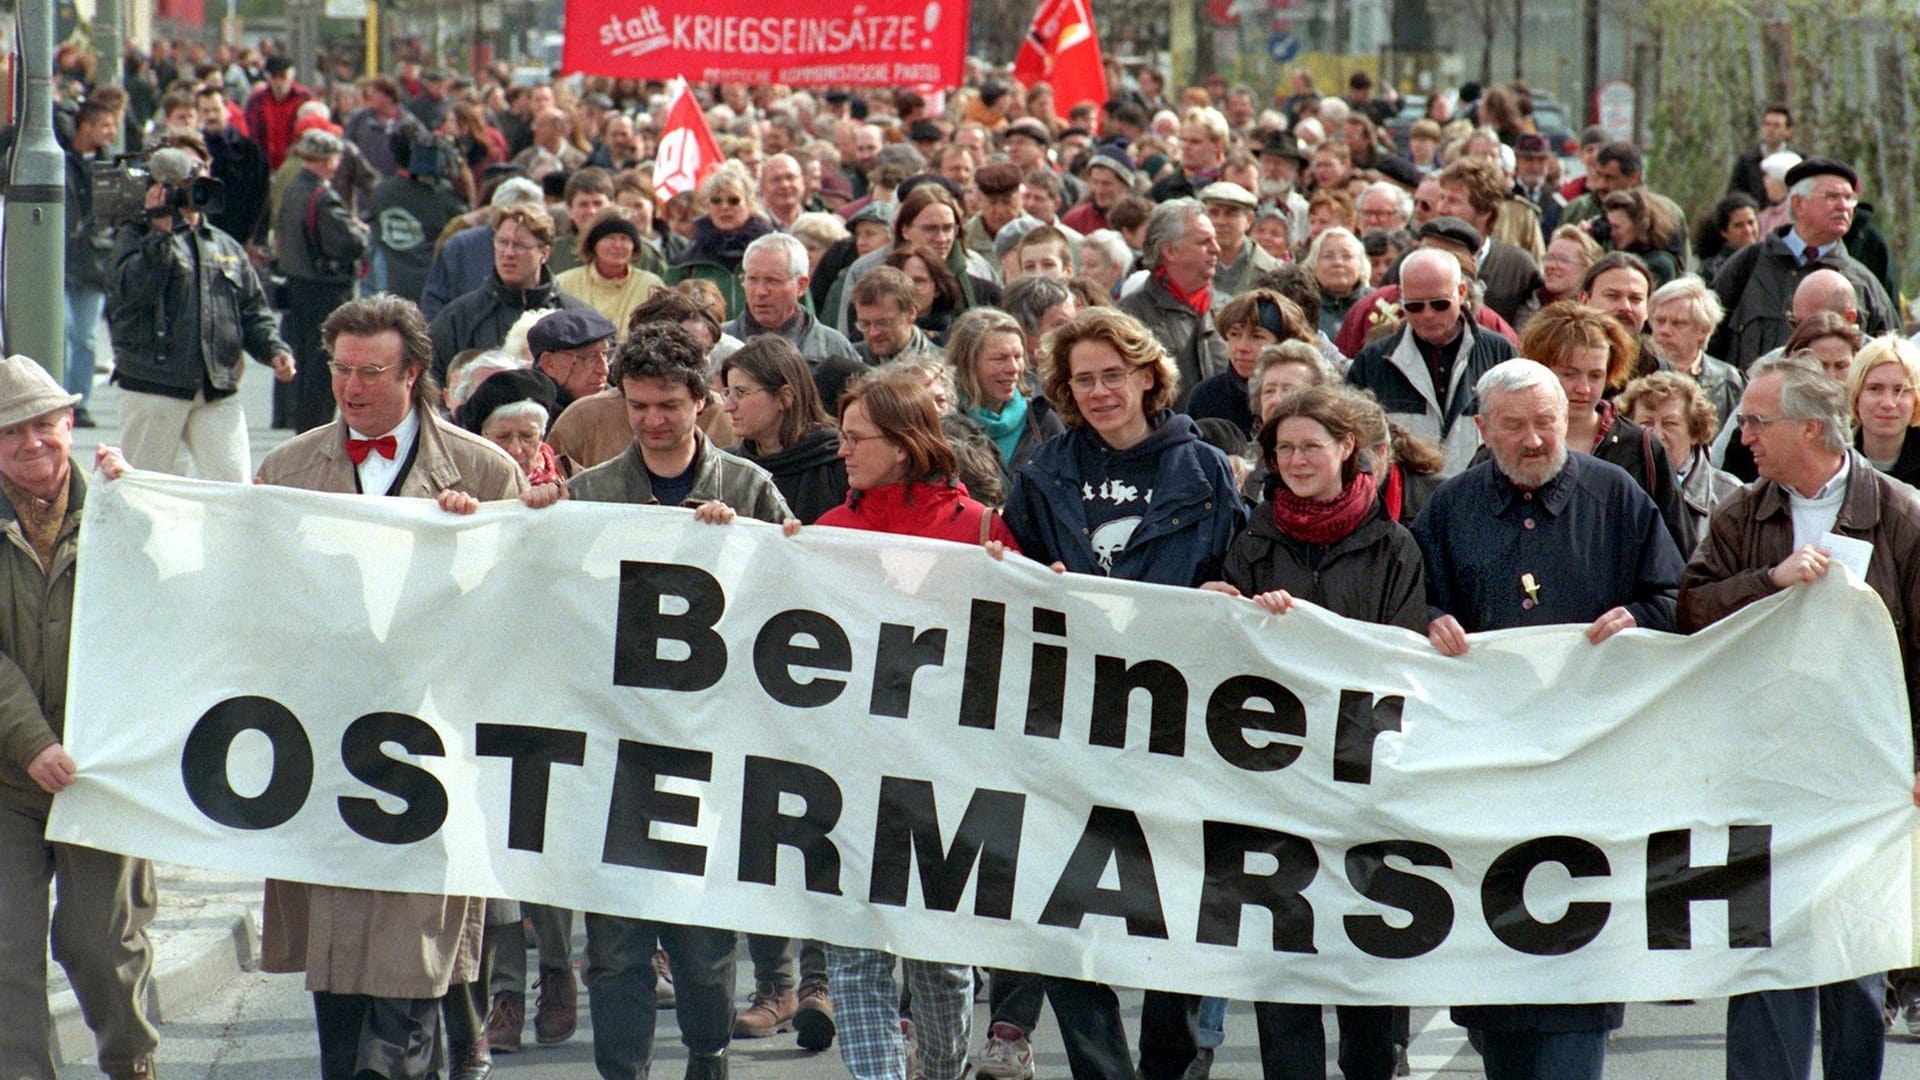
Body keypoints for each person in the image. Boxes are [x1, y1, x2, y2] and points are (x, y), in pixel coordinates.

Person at [254, 295, 531, 1080]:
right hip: (322, 747)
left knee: (412, 957)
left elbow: (526, 612)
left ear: (414, 374)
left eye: (370, 372)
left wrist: (475, 547)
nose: (350, 387)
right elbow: (250, 596)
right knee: (335, 955)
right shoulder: (288, 469)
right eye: (339, 370)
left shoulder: (482, 469)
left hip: (432, 747)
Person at [1416, 358, 1682, 1080]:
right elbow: (1413, 603)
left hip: (1590, 773)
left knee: (1576, 971)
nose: (1534, 440)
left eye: (1546, 422)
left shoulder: (1617, 496)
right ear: (1482, 429)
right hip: (1487, 778)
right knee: (1495, 988)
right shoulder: (1449, 507)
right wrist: (1432, 620)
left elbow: (1673, 595)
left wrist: (1643, 616)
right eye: (1515, 427)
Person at [997, 306, 1244, 1080]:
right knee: (1064, 904)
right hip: (1075, 713)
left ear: (1147, 375)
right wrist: (1036, 586)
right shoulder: (1044, 474)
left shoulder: (1201, 469)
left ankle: (1171, 1055)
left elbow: (1234, 568)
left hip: (1178, 717)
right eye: (1083, 379)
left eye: (1113, 374)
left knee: (1171, 899)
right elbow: (1009, 580)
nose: (1100, 391)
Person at [1677, 351, 1920, 1080]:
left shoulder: (1902, 515)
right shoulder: (1741, 513)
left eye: (1757, 422)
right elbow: (1690, 612)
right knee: (1764, 948)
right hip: (1763, 765)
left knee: (1851, 960)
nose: (1742, 435)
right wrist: (1768, 583)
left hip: (1863, 768)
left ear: (1812, 428)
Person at [567, 322, 793, 1080]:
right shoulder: (590, 495)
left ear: (703, 403)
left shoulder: (749, 488)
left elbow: (794, 609)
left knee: (702, 946)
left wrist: (744, 549)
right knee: (616, 946)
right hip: (615, 750)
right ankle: (622, 1070)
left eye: (668, 405)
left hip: (711, 751)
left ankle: (708, 1053)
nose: (653, 421)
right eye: (637, 407)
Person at [1202, 384, 1418, 1080]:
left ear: (1346, 449)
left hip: (1362, 782)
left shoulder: (1393, 545)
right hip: (1276, 787)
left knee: (1362, 966)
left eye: (1310, 446)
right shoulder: (1252, 540)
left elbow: (1402, 653)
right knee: (1284, 965)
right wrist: (1228, 610)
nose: (1296, 460)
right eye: (1285, 448)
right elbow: (1227, 659)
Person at [808, 369, 1012, 1080]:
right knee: (855, 953)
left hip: (945, 779)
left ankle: (945, 1069)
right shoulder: (829, 533)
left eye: (855, 438)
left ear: (903, 445)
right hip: (849, 773)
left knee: (939, 961)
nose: (842, 451)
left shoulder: (979, 531)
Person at [0, 358, 159, 1080]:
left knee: (101, 944)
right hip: (7, 777)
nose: (32, 443)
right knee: (7, 955)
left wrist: (148, 507)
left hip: (102, 775)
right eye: (10, 432)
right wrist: (30, 741)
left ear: (71, 424)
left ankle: (132, 1065)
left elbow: (178, 610)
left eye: (43, 424)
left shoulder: (122, 507)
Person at [107, 145, 295, 479]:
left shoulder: (222, 244)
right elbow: (133, 294)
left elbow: (251, 308)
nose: (194, 195)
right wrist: (159, 233)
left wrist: (273, 349)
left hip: (216, 384)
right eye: (184, 186)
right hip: (153, 385)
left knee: (233, 487)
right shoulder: (134, 237)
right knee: (145, 491)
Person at [1519, 300, 1690, 552]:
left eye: (1595, 375)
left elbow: (1676, 548)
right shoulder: (1514, 439)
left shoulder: (1640, 446)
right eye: (1569, 374)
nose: (1584, 388)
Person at [1709, 157, 1896, 370]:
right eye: (1832, 196)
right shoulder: (1748, 266)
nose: (1844, 206)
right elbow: (1707, 343)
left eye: (1849, 198)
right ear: (1798, 204)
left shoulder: (1863, 283)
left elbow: (1889, 363)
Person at [1345, 248, 1515, 475]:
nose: (1427, 314)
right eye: (1415, 306)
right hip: (1405, 504)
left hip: (1482, 497)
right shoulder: (1373, 362)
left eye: (1439, 304)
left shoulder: (1499, 353)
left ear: (1461, 292)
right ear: (1402, 299)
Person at [428, 202, 590, 386]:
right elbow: (433, 381)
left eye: (520, 245)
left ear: (544, 253)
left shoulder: (573, 318)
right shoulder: (459, 317)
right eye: (502, 242)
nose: (508, 253)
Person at [276, 128, 369, 432]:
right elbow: (349, 243)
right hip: (325, 291)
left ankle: (300, 425)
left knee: (305, 362)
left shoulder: (292, 189)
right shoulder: (322, 196)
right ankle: (313, 430)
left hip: (296, 285)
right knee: (323, 368)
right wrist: (358, 231)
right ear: (329, 161)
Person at [720, 334, 850, 524]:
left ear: (785, 397)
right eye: (727, 393)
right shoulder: (727, 466)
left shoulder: (840, 463)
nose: (728, 406)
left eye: (741, 392)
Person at [722, 233, 864, 406]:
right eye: (752, 279)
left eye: (772, 281)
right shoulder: (720, 344)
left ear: (802, 285)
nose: (760, 291)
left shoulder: (832, 349)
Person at [1117, 198, 1228, 410]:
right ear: (1169, 251)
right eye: (1204, 242)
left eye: (1214, 240)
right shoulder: (1130, 318)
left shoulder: (1228, 309)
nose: (1216, 249)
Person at [1617, 371, 1740, 551]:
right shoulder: (1614, 487)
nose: (1657, 436)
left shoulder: (1730, 495)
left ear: (1695, 432)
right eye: (1646, 423)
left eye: (1670, 423)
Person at [945, 307, 1062, 481]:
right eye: (1000, 359)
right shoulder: (944, 424)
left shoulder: (1041, 421)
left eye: (1018, 356)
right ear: (967, 363)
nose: (1013, 368)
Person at [63, 98, 120, 427]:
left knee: (84, 335)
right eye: (105, 125)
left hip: (93, 261)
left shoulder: (110, 166)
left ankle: (79, 400)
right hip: (60, 258)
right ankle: (58, 397)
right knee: (63, 329)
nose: (111, 132)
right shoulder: (60, 157)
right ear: (85, 127)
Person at [367, 126, 469, 305]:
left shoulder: (381, 193)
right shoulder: (442, 197)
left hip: (391, 290)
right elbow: (466, 221)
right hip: (434, 294)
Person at [1188, 289, 1312, 437]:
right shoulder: (1206, 396)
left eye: (1257, 337)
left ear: (1283, 343)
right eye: (1234, 334)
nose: (1242, 347)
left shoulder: (1307, 393)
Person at [667, 163, 775, 320]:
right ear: (707, 206)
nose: (724, 207)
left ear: (750, 204)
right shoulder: (687, 262)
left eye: (733, 200)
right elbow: (667, 315)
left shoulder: (772, 253)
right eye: (716, 201)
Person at [554, 208, 666, 334]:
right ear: (594, 244)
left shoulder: (650, 285)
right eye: (609, 238)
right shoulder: (564, 283)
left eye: (624, 238)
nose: (617, 245)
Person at [1847, 335, 1920, 486]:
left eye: (1900, 390)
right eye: (1875, 389)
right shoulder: (1833, 459)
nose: (1888, 403)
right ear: (1856, 395)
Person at [851, 267, 941, 366]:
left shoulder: (944, 367)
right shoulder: (850, 363)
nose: (873, 333)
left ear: (911, 314)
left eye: (883, 323)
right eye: (865, 324)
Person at [1304, 227, 1370, 339]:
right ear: (1313, 265)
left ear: (1361, 264)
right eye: (1328, 256)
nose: (1338, 263)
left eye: (1347, 256)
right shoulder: (1301, 305)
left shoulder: (1377, 303)